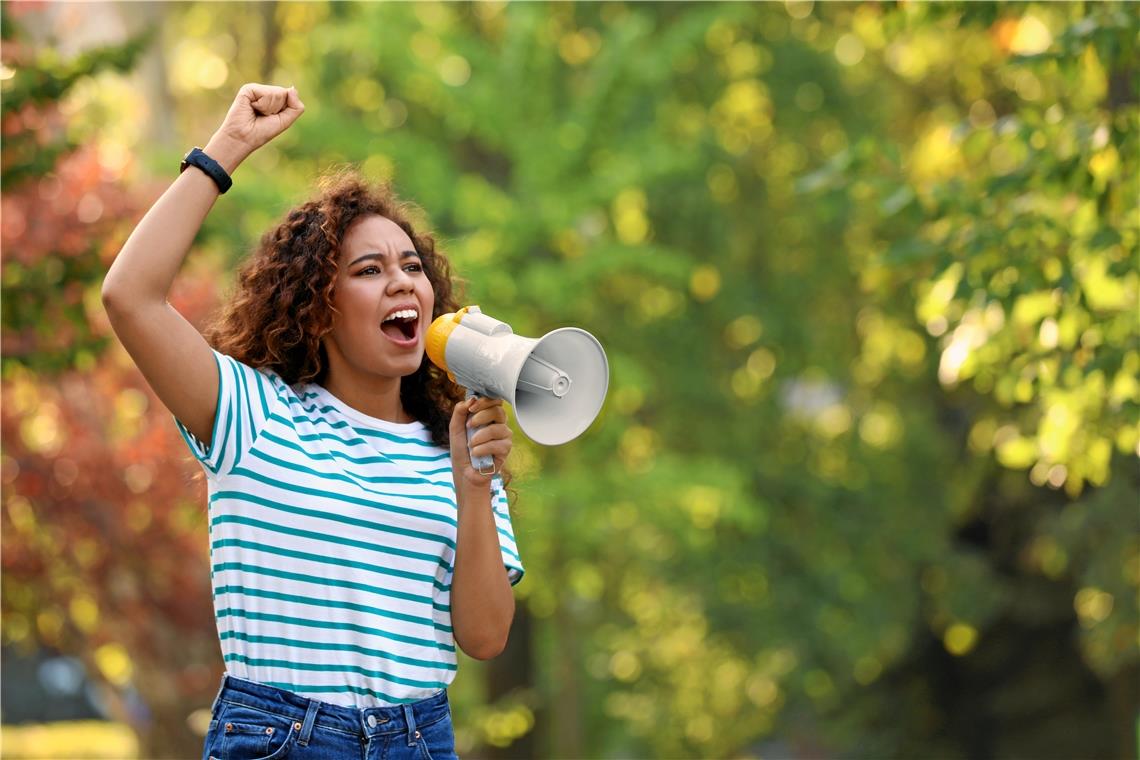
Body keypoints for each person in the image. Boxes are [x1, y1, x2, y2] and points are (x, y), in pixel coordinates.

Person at [101, 83, 524, 760]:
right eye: (369, 269)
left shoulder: (453, 449)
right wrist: (227, 148)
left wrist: (475, 487)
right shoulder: (252, 415)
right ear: (318, 308)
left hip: (420, 739)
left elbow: (484, 638)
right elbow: (129, 296)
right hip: (284, 739)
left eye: (413, 267)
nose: (402, 282)